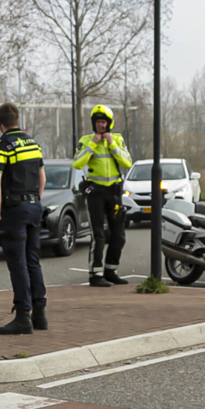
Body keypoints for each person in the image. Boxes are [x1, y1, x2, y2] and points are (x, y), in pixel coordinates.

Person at [0, 103, 48, 335]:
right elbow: (42, 179)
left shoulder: (2, 145)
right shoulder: (33, 143)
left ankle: (23, 316)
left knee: (18, 264)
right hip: (34, 207)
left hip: (14, 210)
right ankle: (40, 314)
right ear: (17, 120)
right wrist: (35, 201)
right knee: (33, 262)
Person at [72, 104, 133, 287]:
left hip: (114, 192)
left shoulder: (117, 139)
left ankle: (111, 270)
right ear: (94, 123)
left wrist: (112, 144)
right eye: (98, 122)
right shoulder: (86, 140)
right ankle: (95, 274)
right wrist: (93, 144)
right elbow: (77, 163)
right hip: (96, 193)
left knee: (119, 236)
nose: (101, 125)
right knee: (98, 236)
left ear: (109, 123)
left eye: (104, 122)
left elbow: (127, 163)